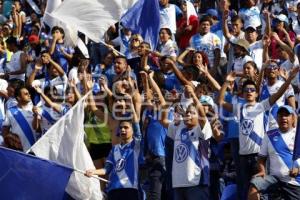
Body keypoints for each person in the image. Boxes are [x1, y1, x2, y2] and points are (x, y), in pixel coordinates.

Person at [218, 67, 300, 199]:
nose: (249, 92)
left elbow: (278, 94)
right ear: (242, 94)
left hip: (258, 156)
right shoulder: (239, 108)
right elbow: (220, 101)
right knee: (245, 190)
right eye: (246, 90)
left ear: (257, 94)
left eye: (252, 90)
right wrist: (227, 82)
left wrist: (289, 79)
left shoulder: (261, 106)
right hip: (242, 156)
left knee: (261, 192)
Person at [160, 85, 213, 200]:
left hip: (197, 183)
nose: (188, 114)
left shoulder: (202, 129)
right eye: (187, 113)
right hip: (178, 183)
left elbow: (203, 116)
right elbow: (163, 120)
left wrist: (193, 95)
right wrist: (168, 102)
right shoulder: (178, 128)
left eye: (192, 113)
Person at [85, 94, 142, 200]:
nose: (123, 130)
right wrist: (93, 172)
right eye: (121, 128)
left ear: (132, 130)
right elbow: (106, 170)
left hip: (130, 190)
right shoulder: (114, 149)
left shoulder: (135, 145)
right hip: (113, 190)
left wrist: (130, 105)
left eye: (126, 128)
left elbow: (136, 124)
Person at [248, 105, 300, 200]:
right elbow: (261, 158)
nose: (283, 118)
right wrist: (262, 170)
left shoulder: (298, 134)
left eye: (286, 115)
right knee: (254, 186)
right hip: (273, 179)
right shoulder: (269, 135)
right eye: (280, 116)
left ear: (293, 118)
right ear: (277, 119)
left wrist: (298, 170)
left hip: (294, 181)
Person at [2, 85, 36, 152]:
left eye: (29, 93)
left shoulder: (35, 109)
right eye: (26, 94)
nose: (29, 95)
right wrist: (9, 143)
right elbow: (5, 129)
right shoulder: (10, 111)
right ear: (19, 98)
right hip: (19, 150)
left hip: (35, 148)